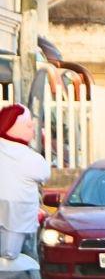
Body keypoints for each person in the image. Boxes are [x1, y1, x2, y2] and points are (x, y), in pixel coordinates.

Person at [0, 104, 50, 270]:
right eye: (28, 126)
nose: (33, 130)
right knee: (13, 250)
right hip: (20, 209)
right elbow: (44, 175)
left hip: (13, 208)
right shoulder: (31, 158)